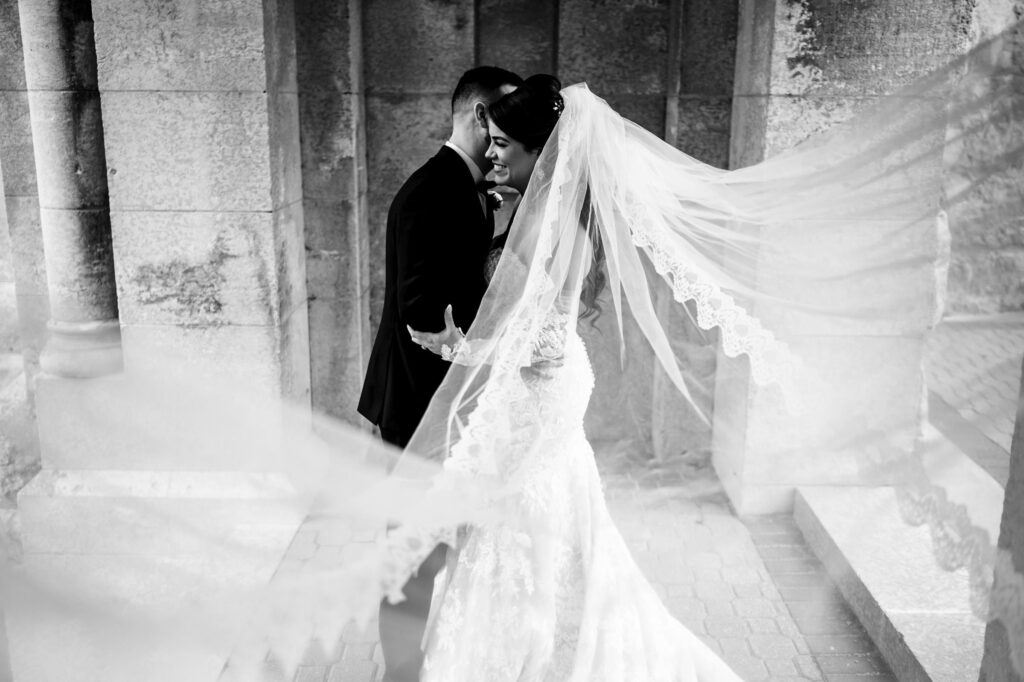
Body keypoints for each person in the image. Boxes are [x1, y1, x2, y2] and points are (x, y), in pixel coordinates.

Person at [406, 74, 747, 681]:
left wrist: (456, 346)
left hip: (539, 388)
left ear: (541, 153)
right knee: (556, 515)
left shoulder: (543, 228)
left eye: (505, 144)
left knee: (513, 521)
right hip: (554, 385)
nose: (492, 151)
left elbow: (528, 344)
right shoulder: (562, 217)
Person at [356, 65, 523, 682]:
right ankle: (400, 671)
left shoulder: (466, 189)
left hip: (439, 408)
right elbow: (423, 315)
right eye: (503, 122)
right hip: (418, 409)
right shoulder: (435, 192)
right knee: (411, 553)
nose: (507, 135)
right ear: (482, 118)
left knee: (433, 545)